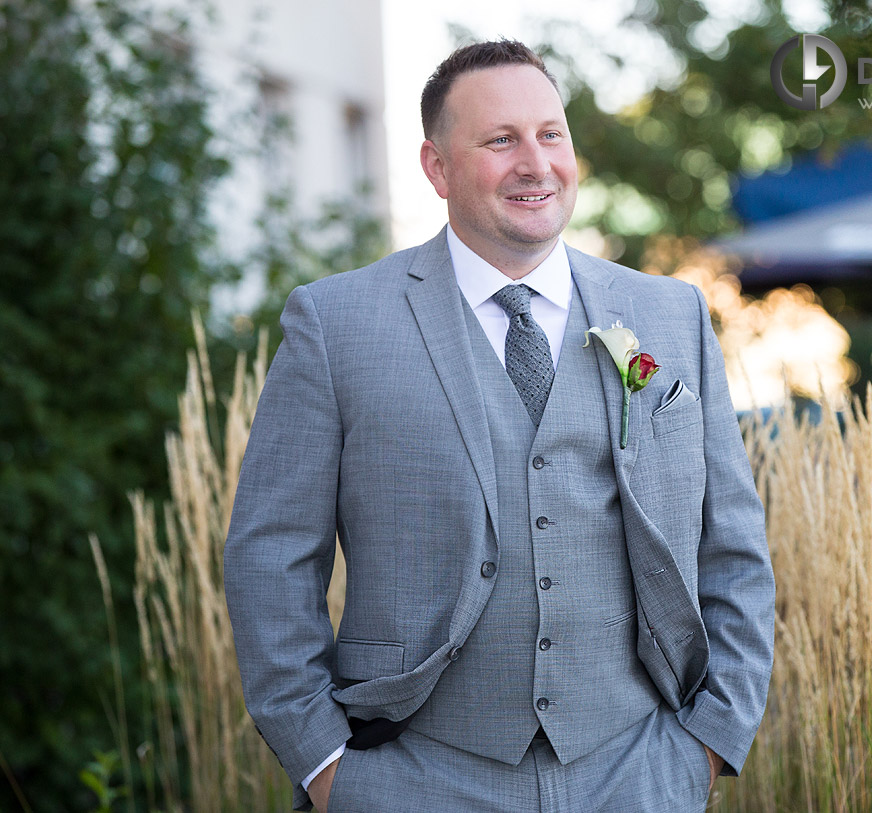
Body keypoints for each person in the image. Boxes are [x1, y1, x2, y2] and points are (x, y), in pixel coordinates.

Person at [223, 39, 774, 813]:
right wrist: (326, 768)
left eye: (551, 133)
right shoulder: (337, 323)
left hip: (638, 770)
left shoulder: (668, 314)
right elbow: (271, 554)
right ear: (437, 167)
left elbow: (735, 547)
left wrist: (707, 746)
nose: (535, 162)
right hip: (412, 773)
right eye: (500, 140)